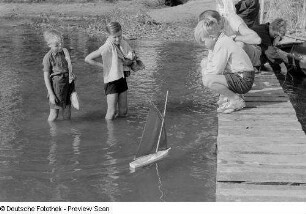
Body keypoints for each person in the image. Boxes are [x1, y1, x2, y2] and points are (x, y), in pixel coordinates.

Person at [194, 15, 255, 113]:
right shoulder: (218, 42)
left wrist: (204, 72)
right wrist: (205, 67)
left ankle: (235, 100)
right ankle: (228, 96)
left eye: (203, 41)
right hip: (240, 76)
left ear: (212, 37)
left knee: (208, 80)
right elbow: (211, 63)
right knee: (204, 63)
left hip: (244, 80)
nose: (203, 45)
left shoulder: (222, 44)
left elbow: (216, 70)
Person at [85, 22, 135, 120]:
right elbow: (88, 59)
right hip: (111, 81)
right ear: (109, 35)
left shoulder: (123, 43)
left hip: (121, 78)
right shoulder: (107, 47)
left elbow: (129, 55)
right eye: (114, 37)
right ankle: (110, 134)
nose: (117, 39)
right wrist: (104, 66)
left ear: (122, 33)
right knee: (111, 113)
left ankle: (120, 131)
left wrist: (130, 58)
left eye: (119, 36)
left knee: (123, 112)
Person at [43, 29, 75, 121]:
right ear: (49, 45)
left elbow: (68, 66)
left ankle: (67, 130)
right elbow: (46, 78)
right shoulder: (48, 58)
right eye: (57, 45)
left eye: (61, 43)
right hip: (57, 86)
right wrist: (51, 94)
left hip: (68, 83)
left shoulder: (64, 52)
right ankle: (51, 132)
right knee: (54, 114)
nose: (60, 46)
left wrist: (72, 74)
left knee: (67, 111)